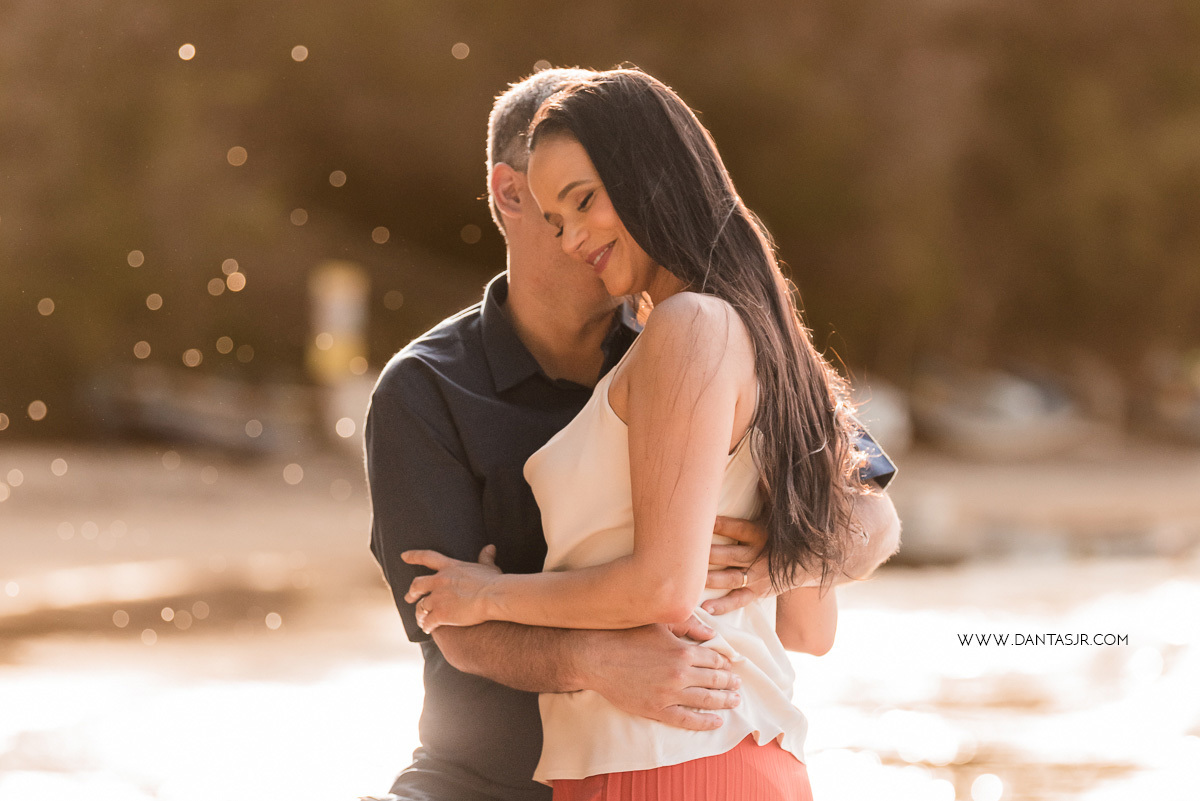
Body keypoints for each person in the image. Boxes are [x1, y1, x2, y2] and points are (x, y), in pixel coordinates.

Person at [364, 68, 900, 801]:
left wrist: (780, 558)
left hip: (666, 758)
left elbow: (870, 515)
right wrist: (592, 658)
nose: (577, 234)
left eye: (587, 198)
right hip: (485, 781)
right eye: (558, 214)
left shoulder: (688, 335)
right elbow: (451, 620)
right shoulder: (424, 390)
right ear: (510, 195)